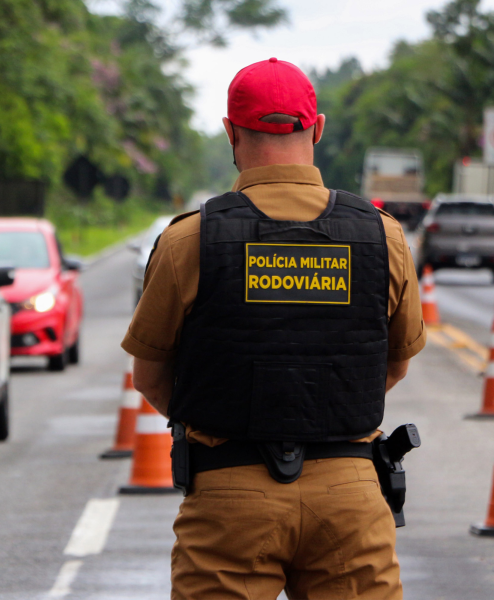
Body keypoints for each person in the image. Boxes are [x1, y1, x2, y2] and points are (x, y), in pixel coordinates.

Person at [122, 57, 426, 600]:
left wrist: (234, 410)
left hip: (228, 497)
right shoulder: (384, 237)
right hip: (351, 497)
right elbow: (396, 361)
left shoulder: (189, 241)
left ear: (231, 132)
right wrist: (321, 404)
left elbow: (149, 376)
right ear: (318, 127)